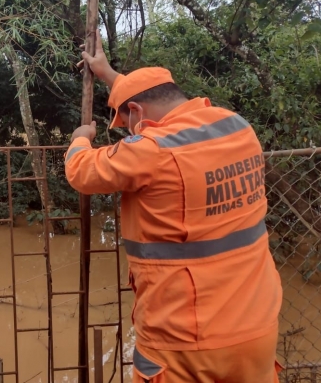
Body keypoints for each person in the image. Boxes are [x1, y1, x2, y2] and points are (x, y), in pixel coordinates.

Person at [65, 31, 284, 383]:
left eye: (126, 123)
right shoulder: (237, 127)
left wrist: (80, 139)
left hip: (182, 340)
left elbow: (82, 171)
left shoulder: (150, 149)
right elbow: (147, 97)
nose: (129, 132)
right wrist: (109, 74)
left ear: (135, 111)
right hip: (256, 328)